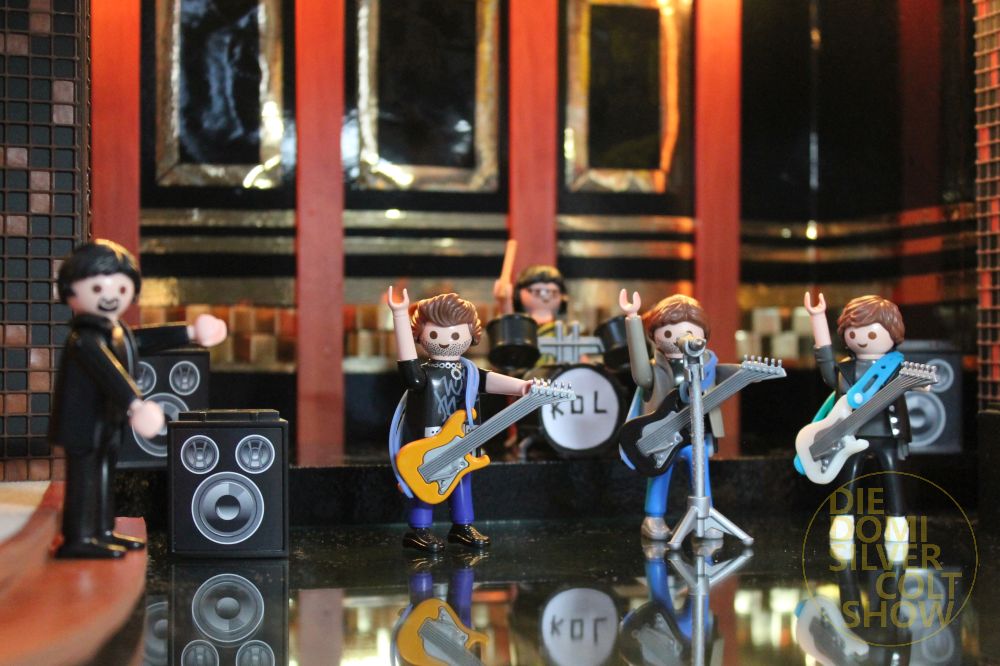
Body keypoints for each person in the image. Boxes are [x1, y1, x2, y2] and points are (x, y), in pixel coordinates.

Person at [50, 240, 227, 558]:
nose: (109, 297)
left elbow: (143, 340)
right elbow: (109, 373)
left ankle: (101, 531)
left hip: (105, 422)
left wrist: (189, 333)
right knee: (85, 480)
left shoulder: (114, 330)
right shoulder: (84, 339)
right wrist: (136, 404)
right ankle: (79, 538)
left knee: (104, 476)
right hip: (84, 424)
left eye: (120, 289)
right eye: (97, 288)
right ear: (70, 290)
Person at [388, 289, 530, 553]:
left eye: (454, 335)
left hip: (463, 437)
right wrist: (399, 315)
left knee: (462, 478)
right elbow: (407, 366)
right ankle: (419, 530)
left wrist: (523, 387)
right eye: (434, 335)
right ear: (419, 335)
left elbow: (490, 380)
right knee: (425, 481)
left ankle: (462, 526)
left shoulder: (469, 372)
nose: (445, 342)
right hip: (428, 439)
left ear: (471, 335)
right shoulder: (423, 375)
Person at [619, 291, 734, 541]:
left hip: (695, 435)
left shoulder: (708, 366)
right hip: (662, 434)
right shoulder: (654, 370)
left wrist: (752, 373)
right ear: (655, 337)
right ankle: (653, 518)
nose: (679, 339)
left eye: (689, 332)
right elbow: (639, 370)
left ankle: (704, 516)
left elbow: (729, 375)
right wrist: (633, 318)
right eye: (669, 333)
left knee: (701, 472)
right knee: (659, 472)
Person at [804, 293, 911, 543]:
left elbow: (915, 382)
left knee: (892, 475)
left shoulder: (895, 367)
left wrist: (922, 385)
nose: (861, 339)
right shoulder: (845, 368)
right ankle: (843, 519)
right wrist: (818, 318)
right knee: (848, 476)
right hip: (851, 433)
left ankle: (897, 521)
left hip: (886, 433)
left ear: (893, 333)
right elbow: (826, 365)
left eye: (871, 334)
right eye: (852, 333)